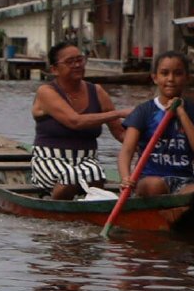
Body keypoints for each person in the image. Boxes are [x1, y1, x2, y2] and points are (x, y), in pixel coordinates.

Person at [31, 40, 129, 200]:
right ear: (54, 69)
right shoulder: (46, 92)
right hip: (50, 160)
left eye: (79, 60)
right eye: (70, 62)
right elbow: (75, 121)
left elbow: (120, 134)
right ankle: (55, 205)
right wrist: (118, 113)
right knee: (71, 176)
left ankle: (87, 208)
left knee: (95, 173)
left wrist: (147, 140)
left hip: (87, 162)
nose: (77, 65)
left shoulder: (97, 91)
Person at [119, 49, 194, 197]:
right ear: (155, 78)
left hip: (184, 181)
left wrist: (181, 113)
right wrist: (126, 178)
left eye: (177, 73)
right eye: (164, 73)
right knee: (155, 186)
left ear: (187, 77)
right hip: (149, 179)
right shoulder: (144, 111)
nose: (171, 79)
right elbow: (127, 151)